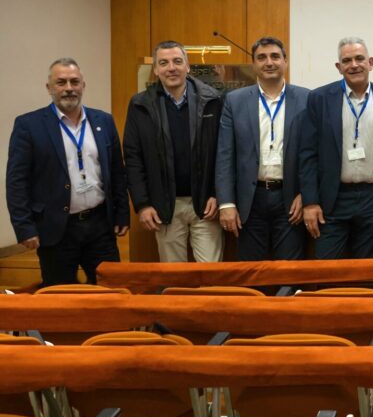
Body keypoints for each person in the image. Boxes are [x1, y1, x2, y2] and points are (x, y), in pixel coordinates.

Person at [6, 58, 129, 286]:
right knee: (60, 295)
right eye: (61, 82)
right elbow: (16, 182)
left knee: (111, 290)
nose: (69, 88)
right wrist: (24, 227)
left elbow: (116, 171)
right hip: (55, 229)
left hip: (100, 225)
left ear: (83, 85)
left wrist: (122, 213)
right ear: (49, 87)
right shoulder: (29, 125)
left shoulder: (103, 120)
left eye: (74, 82)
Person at [299, 37, 373, 259]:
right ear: (339, 67)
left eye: (359, 58)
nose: (354, 65)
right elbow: (308, 154)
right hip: (332, 199)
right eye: (347, 61)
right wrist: (310, 202)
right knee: (328, 270)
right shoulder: (319, 99)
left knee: (369, 270)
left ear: (371, 62)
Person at [124, 41, 223, 262]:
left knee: (211, 274)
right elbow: (133, 158)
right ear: (156, 69)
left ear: (187, 66)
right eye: (164, 63)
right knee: (174, 275)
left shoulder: (213, 100)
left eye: (177, 61)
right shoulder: (140, 105)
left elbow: (223, 152)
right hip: (164, 206)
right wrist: (142, 204)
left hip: (206, 205)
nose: (171, 68)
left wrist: (218, 194)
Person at [215, 37, 310, 261]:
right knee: (251, 270)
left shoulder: (306, 98)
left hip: (290, 200)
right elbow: (225, 155)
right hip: (249, 201)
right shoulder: (234, 101)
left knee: (289, 270)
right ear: (254, 64)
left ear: (285, 61)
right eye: (262, 57)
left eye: (275, 56)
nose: (269, 62)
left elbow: (313, 154)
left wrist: (307, 194)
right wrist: (226, 203)